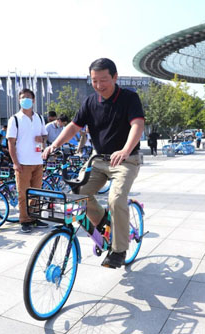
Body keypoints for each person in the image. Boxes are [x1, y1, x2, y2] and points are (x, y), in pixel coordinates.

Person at [43, 58, 144, 269]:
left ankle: (119, 250)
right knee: (77, 193)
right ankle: (104, 223)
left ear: (115, 77)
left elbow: (137, 124)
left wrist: (125, 150)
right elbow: (73, 127)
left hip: (126, 160)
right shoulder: (90, 102)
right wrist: (54, 145)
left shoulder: (129, 98)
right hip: (99, 160)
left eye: (104, 80)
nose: (99, 85)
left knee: (115, 199)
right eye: (94, 80)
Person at [7, 88, 48, 233]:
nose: (25, 100)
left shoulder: (39, 118)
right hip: (22, 162)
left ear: (34, 100)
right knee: (23, 193)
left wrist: (42, 139)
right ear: (19, 100)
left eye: (28, 97)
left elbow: (44, 136)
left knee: (36, 192)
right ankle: (24, 220)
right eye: (23, 98)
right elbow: (10, 143)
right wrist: (15, 162)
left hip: (37, 161)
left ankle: (35, 217)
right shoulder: (15, 119)